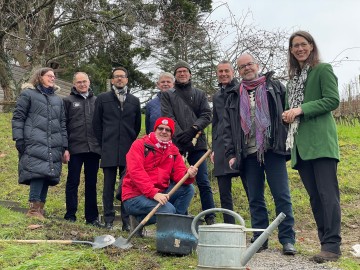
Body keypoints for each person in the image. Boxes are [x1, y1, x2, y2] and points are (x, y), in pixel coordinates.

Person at [223, 53, 296, 255]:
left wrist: (287, 141)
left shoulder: (275, 87)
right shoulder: (234, 94)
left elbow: (288, 113)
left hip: (273, 150)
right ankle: (260, 238)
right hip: (247, 153)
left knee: (282, 196)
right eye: (242, 67)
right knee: (255, 197)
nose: (247, 68)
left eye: (249, 64)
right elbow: (228, 128)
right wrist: (231, 153)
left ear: (257, 65)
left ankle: (288, 239)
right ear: (238, 71)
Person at [282, 31, 341, 263]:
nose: (299, 49)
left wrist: (301, 109)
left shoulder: (322, 70)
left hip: (321, 143)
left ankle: (332, 246)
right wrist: (287, 114)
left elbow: (332, 100)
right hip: (301, 146)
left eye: (303, 44)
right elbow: (292, 109)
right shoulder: (292, 81)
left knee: (328, 196)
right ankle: (324, 243)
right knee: (315, 198)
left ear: (311, 46)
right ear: (291, 50)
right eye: (295, 46)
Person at [161, 60, 216, 225]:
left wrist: (193, 129)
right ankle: (178, 214)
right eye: (179, 72)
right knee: (175, 181)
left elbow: (207, 114)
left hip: (197, 143)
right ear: (175, 75)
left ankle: (210, 215)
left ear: (190, 74)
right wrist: (180, 135)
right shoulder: (168, 95)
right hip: (176, 145)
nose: (182, 74)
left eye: (185, 71)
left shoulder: (199, 94)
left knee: (203, 181)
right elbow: (167, 116)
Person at [12, 67, 68, 220]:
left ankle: (39, 209)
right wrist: (19, 138)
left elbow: (63, 124)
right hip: (34, 140)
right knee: (38, 172)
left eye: (54, 76)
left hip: (53, 143)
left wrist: (65, 146)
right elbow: (18, 117)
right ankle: (33, 210)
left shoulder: (58, 100)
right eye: (49, 76)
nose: (53, 78)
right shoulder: (28, 94)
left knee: (47, 174)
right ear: (39, 77)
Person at [122, 117, 197, 225]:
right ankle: (138, 221)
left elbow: (179, 174)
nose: (163, 132)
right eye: (160, 128)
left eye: (167, 130)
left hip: (159, 193)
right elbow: (136, 172)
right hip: (134, 196)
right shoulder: (139, 145)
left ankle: (173, 226)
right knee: (168, 211)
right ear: (155, 130)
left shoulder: (173, 150)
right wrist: (153, 193)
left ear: (171, 133)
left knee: (188, 189)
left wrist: (188, 175)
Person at [93, 67, 141, 230]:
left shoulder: (134, 101)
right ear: (112, 80)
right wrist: (103, 143)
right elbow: (96, 124)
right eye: (116, 77)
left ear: (127, 80)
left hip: (128, 150)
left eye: (122, 77)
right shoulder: (102, 99)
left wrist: (130, 142)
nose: (119, 79)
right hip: (109, 148)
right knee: (108, 185)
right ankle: (108, 219)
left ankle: (126, 222)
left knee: (127, 186)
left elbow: (137, 126)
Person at [62, 72, 102, 227]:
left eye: (84, 81)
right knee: (73, 182)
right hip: (74, 149)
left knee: (91, 184)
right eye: (79, 82)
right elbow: (63, 126)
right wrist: (65, 148)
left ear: (89, 82)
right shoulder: (67, 101)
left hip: (93, 150)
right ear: (74, 84)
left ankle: (91, 217)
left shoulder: (98, 101)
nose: (82, 84)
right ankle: (70, 215)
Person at [211, 60, 249, 224]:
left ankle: (259, 229)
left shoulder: (241, 90)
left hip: (241, 144)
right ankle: (229, 226)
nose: (224, 74)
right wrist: (213, 147)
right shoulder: (217, 96)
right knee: (224, 191)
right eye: (220, 71)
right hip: (220, 146)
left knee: (251, 188)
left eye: (227, 71)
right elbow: (216, 123)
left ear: (233, 72)